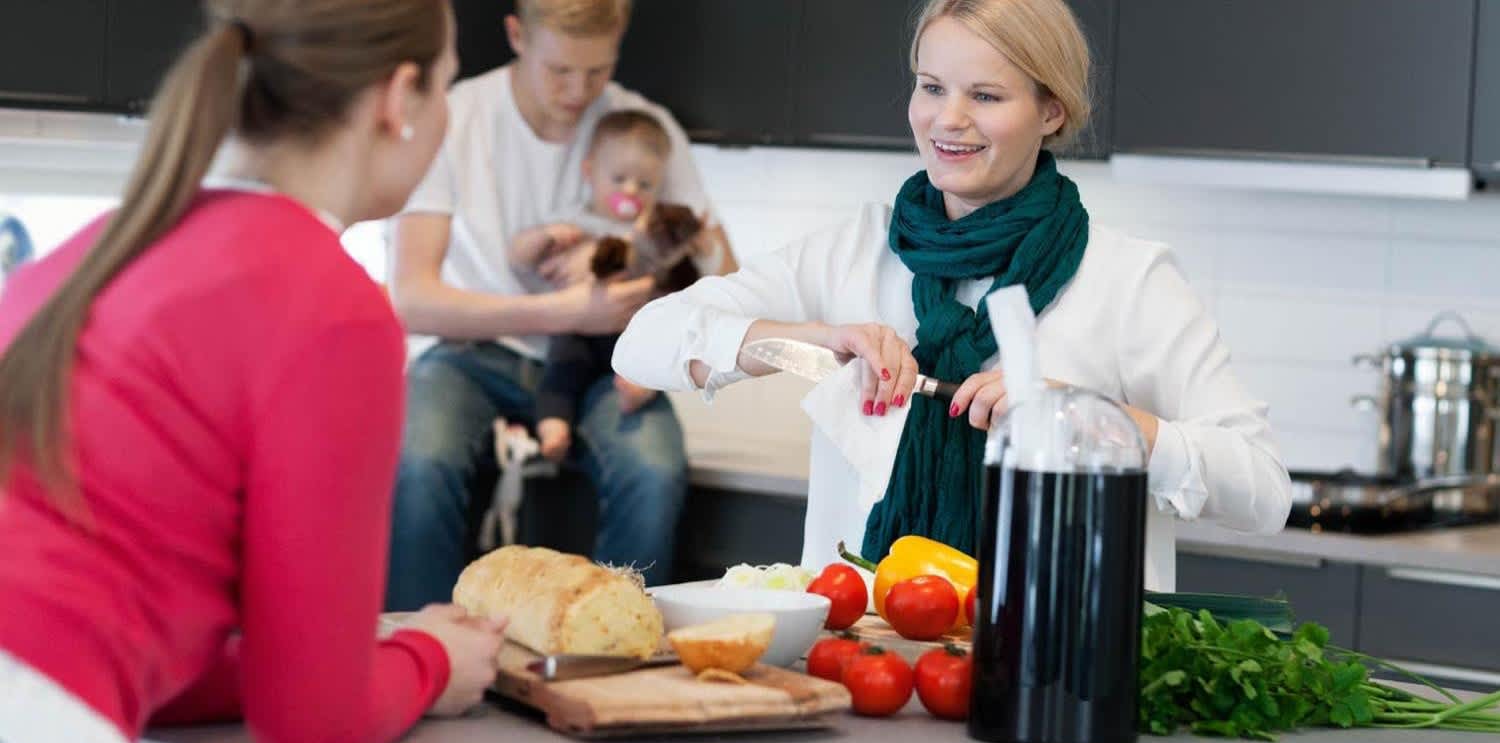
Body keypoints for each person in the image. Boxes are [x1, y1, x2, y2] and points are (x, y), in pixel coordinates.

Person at [613, 0, 1292, 592]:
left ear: (1050, 111)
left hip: (1055, 679)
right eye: (931, 86)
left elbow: (1264, 492)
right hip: (860, 662)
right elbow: (642, 342)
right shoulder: (853, 252)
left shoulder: (1131, 281)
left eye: (986, 97)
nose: (948, 119)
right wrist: (812, 339)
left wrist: (1097, 424)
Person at [0, 2, 506, 743]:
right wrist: (433, 662)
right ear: (401, 98)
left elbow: (154, 660)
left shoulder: (103, 245)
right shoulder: (331, 307)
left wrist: (367, 657)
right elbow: (313, 730)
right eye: (446, 89)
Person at [386, 0, 735, 607]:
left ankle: (617, 656)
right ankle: (418, 653)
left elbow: (722, 278)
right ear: (517, 35)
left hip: (607, 362)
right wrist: (568, 313)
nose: (579, 92)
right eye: (560, 71)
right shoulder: (455, 119)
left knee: (654, 472)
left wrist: (661, 350)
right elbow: (412, 298)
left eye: (597, 71)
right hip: (472, 355)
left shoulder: (642, 129)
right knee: (419, 462)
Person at [512, 109, 713, 463]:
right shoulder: (574, 220)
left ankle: (639, 389)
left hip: (632, 330)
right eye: (619, 178)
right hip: (577, 332)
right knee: (562, 370)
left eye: (645, 184)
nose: (631, 191)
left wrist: (706, 248)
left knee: (655, 356)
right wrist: (544, 237)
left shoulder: (655, 232)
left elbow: (698, 275)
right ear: (589, 172)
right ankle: (552, 425)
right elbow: (520, 258)